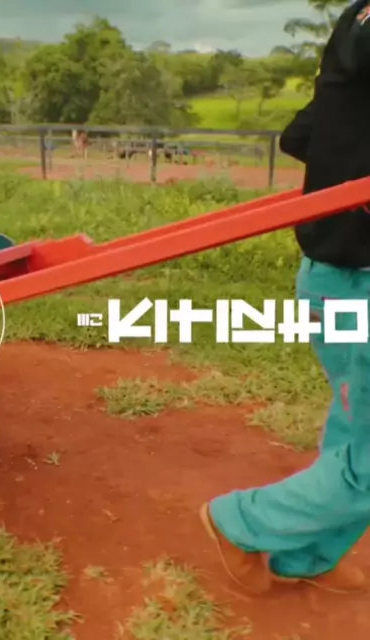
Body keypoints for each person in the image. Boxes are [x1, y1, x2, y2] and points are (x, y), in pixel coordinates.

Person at [200, 0, 370, 595]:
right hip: (352, 281)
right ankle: (239, 522)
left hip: (340, 274)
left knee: (356, 433)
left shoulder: (352, 36)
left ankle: (310, 555)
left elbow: (300, 135)